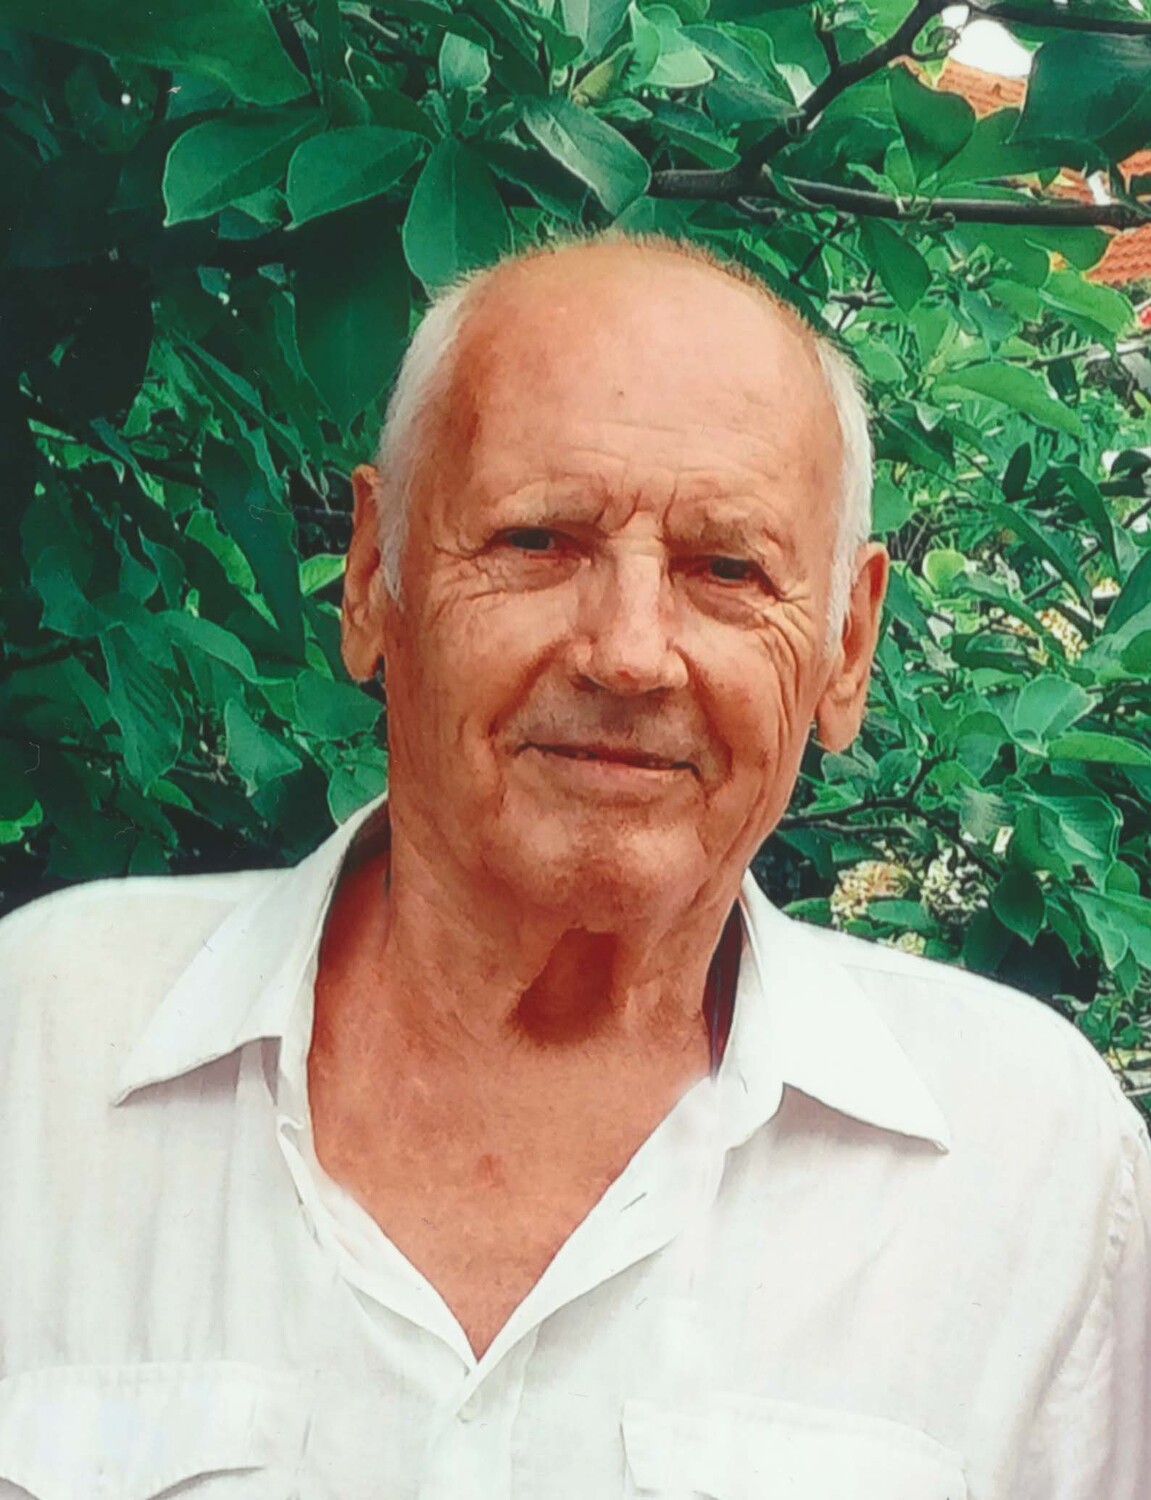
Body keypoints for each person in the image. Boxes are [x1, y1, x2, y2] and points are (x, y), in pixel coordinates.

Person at [0, 229, 1147, 1500]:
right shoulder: (41, 1049)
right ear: (373, 580)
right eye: (537, 541)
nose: (629, 653)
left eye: (726, 568)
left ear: (845, 647)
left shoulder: (1027, 1165)